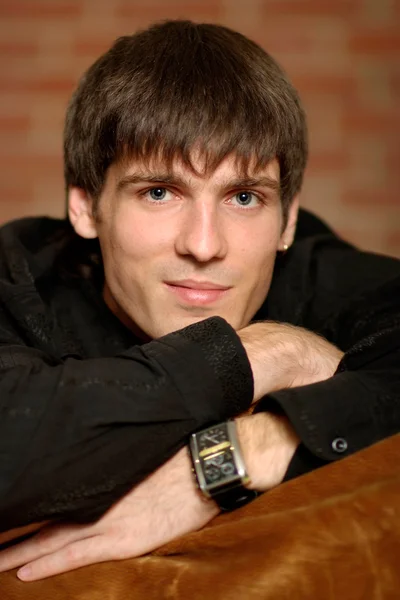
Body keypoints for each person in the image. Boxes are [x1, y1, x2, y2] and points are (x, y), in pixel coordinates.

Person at [0, 19, 399, 581]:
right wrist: (271, 352)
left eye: (243, 197)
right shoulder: (16, 274)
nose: (204, 245)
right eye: (159, 192)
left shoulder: (314, 274)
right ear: (86, 207)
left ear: (286, 219)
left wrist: (234, 456)